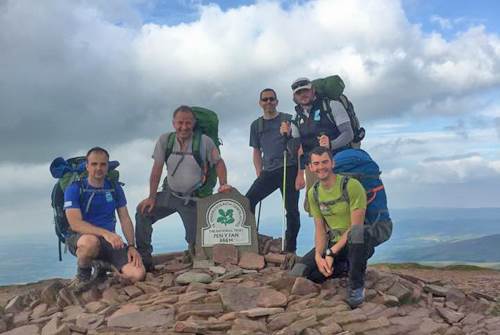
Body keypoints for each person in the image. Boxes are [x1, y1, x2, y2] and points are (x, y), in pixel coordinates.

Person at [135, 105, 231, 271]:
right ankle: (145, 261)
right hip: (169, 194)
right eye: (180, 123)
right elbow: (156, 169)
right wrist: (151, 197)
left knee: (195, 240)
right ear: (173, 123)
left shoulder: (204, 142)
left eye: (188, 123)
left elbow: (219, 163)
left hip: (192, 199)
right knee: (143, 212)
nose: (184, 127)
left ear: (193, 123)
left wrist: (223, 184)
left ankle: (197, 264)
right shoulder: (166, 140)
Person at [290, 146, 375, 309]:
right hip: (333, 243)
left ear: (332, 163)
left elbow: (355, 226)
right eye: (316, 163)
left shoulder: (352, 186)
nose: (321, 167)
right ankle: (344, 267)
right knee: (300, 271)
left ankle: (356, 287)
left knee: (358, 232)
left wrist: (330, 253)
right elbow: (320, 229)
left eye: (325, 162)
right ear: (311, 167)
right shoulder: (313, 193)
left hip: (357, 243)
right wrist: (318, 256)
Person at [64, 147, 145, 291]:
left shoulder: (114, 188)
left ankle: (104, 267)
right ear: (87, 166)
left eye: (103, 164)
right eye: (94, 164)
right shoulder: (75, 189)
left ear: (108, 166)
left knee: (137, 274)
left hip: (110, 241)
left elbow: (125, 218)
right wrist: (105, 233)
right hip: (81, 238)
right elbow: (75, 223)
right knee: (90, 242)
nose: (98, 168)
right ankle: (83, 276)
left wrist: (132, 246)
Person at [288, 77, 355, 213]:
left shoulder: (331, 105)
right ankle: (323, 234)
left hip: (338, 160)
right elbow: (297, 148)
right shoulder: (296, 118)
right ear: (294, 97)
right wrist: (300, 174)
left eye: (306, 90)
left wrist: (331, 144)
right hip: (314, 167)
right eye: (299, 93)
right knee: (317, 206)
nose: (303, 95)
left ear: (313, 91)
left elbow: (348, 133)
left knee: (342, 202)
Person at [245, 88, 301, 253]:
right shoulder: (256, 125)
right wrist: (259, 172)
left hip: (289, 167)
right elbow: (256, 151)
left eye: (271, 99)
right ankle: (250, 240)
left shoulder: (289, 119)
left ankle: (290, 248)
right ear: (260, 103)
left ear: (276, 101)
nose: (268, 102)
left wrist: (300, 173)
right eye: (265, 99)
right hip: (268, 171)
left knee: (291, 210)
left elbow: (299, 147)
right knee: (248, 201)